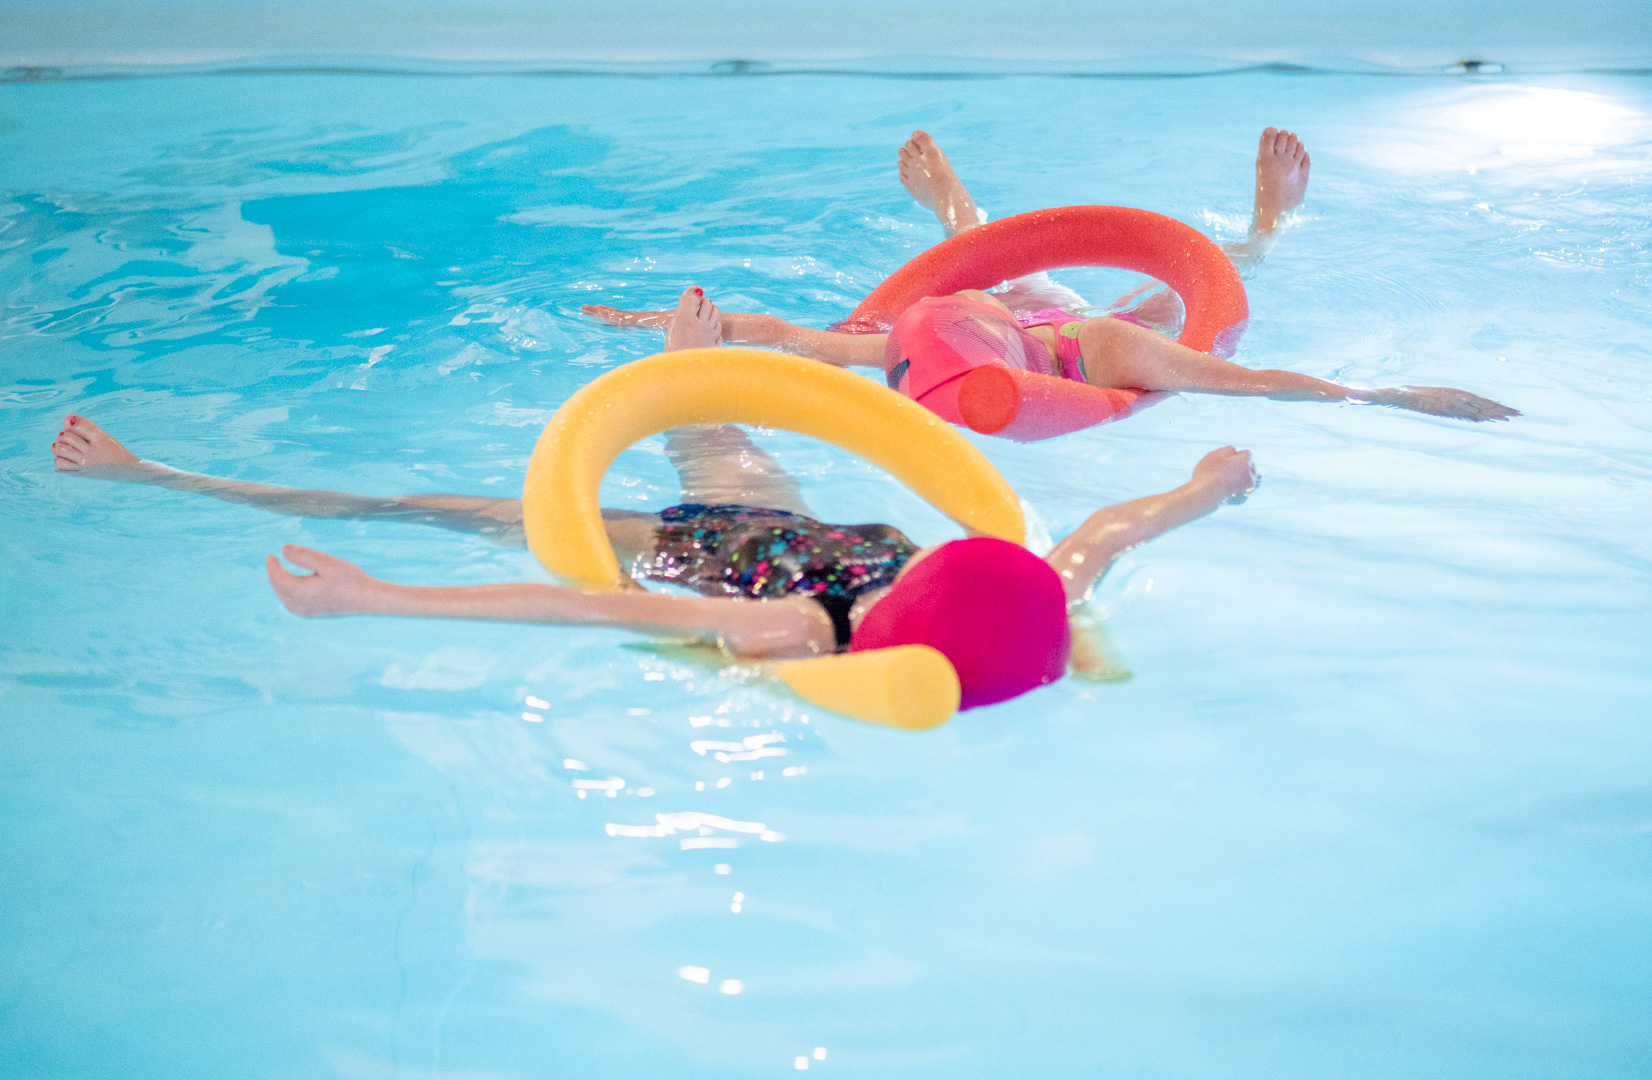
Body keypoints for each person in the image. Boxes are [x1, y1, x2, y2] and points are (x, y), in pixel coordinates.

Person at [50, 288, 1257, 704]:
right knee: (453, 502)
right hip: (763, 538)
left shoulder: (821, 629)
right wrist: (1211, 478)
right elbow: (1107, 527)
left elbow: (592, 610)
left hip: (742, 544)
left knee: (431, 506)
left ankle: (149, 475)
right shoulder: (1013, 602)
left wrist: (377, 602)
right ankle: (688, 366)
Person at [584, 129, 1517, 423]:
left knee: (1177, 292)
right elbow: (790, 338)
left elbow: (1261, 382)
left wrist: (1393, 396)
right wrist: (655, 326)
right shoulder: (910, 348)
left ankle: (1269, 226)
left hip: (1066, 338)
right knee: (960, 271)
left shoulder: (1104, 347)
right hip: (989, 338)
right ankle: (956, 219)